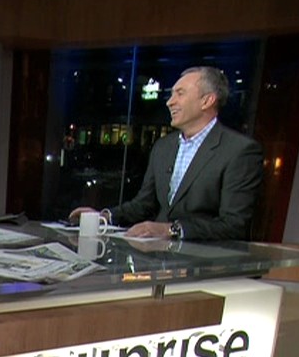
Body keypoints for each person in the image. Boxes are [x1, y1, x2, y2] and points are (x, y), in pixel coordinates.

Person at [70, 66, 264, 241]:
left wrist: (171, 229)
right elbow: (144, 204)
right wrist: (103, 217)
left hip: (206, 260)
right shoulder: (164, 147)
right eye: (171, 95)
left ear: (207, 100)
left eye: (180, 93)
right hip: (158, 257)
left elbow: (234, 225)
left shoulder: (240, 151)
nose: (170, 102)